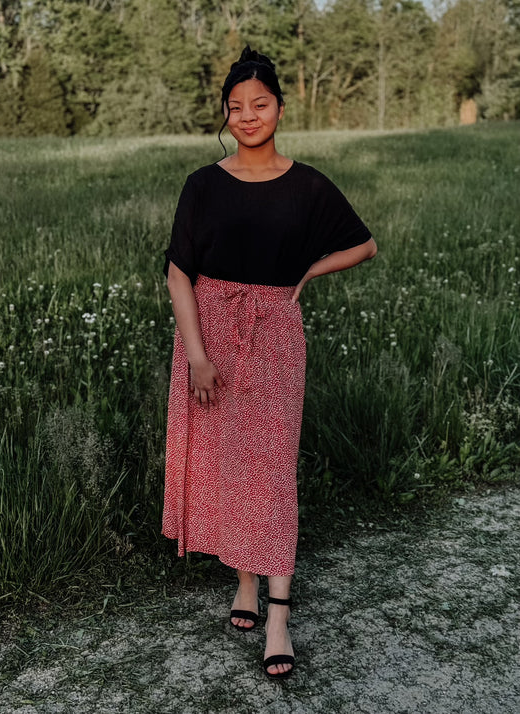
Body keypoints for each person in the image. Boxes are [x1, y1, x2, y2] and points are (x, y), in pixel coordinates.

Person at [162, 46, 377, 679]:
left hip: (276, 341)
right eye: (236, 107)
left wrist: (306, 271)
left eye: (260, 104)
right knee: (230, 468)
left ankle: (277, 615)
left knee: (271, 470)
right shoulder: (202, 184)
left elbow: (364, 245)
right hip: (207, 343)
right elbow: (179, 275)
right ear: (226, 116)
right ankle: (246, 586)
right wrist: (198, 356)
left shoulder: (308, 184)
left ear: (280, 107)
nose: (248, 115)